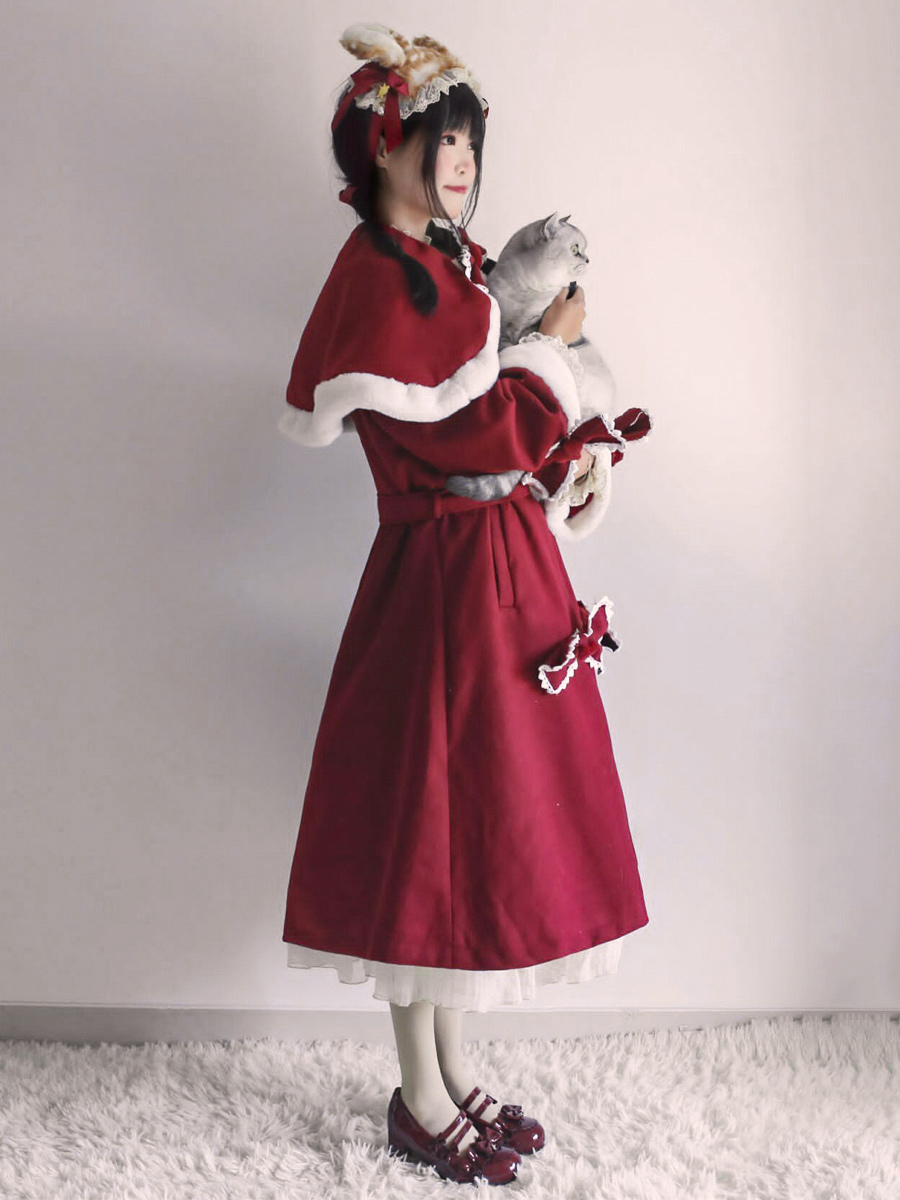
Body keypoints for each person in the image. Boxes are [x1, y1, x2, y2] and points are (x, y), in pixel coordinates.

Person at [278, 22, 651, 1187]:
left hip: (492, 567)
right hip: (440, 583)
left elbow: (502, 431)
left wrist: (572, 444)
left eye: (470, 141)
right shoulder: (378, 281)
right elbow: (478, 430)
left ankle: (444, 1067)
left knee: (475, 821)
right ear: (382, 144)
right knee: (425, 834)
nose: (461, 160)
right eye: (441, 138)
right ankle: (420, 1093)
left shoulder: (447, 268)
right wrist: (552, 355)